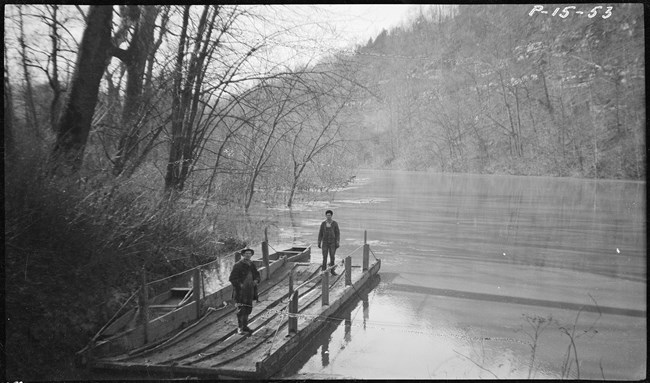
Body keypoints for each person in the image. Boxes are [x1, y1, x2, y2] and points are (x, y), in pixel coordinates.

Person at [229, 248, 260, 335]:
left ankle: (245, 326)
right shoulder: (238, 265)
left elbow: (257, 275)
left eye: (249, 253)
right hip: (240, 292)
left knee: (248, 308)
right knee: (241, 309)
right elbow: (232, 279)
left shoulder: (251, 264)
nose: (248, 255)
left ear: (251, 255)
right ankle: (240, 328)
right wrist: (240, 285)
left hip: (250, 291)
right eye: (246, 253)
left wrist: (256, 280)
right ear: (243, 255)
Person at [317, 209, 340, 275]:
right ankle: (323, 270)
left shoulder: (335, 223)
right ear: (326, 216)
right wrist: (319, 242)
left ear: (331, 216)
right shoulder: (323, 223)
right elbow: (320, 233)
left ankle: (332, 271)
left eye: (329, 215)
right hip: (325, 242)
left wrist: (337, 242)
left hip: (332, 243)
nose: (328, 217)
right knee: (324, 257)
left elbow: (337, 233)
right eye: (327, 215)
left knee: (332, 257)